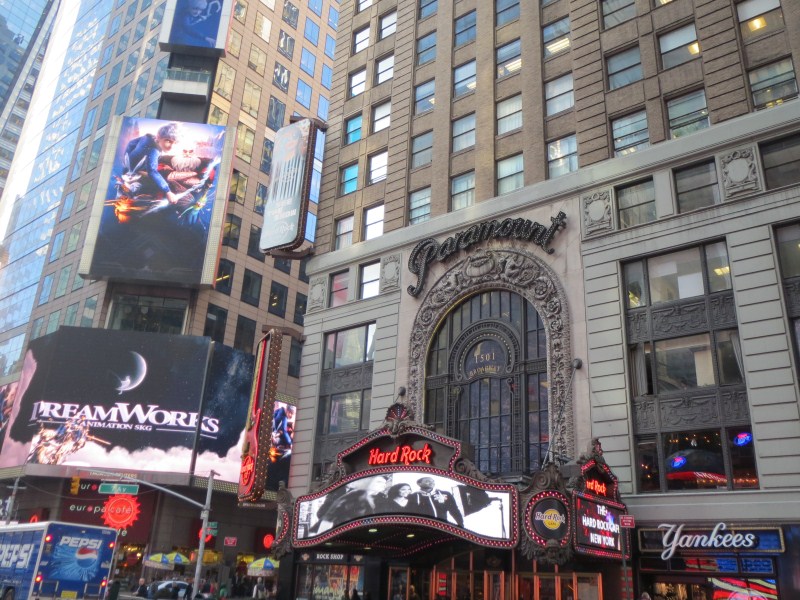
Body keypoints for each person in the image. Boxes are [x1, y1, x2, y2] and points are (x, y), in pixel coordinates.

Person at [124, 122, 179, 204]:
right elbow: (152, 171)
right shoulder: (154, 149)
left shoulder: (149, 137)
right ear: (159, 137)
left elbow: (131, 143)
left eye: (175, 142)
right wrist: (168, 192)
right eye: (168, 141)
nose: (172, 146)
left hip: (133, 170)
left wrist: (128, 157)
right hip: (132, 175)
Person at [314, 476, 389, 533]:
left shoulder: (383, 499)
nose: (383, 485)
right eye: (379, 482)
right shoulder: (349, 495)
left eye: (384, 483)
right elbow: (324, 514)